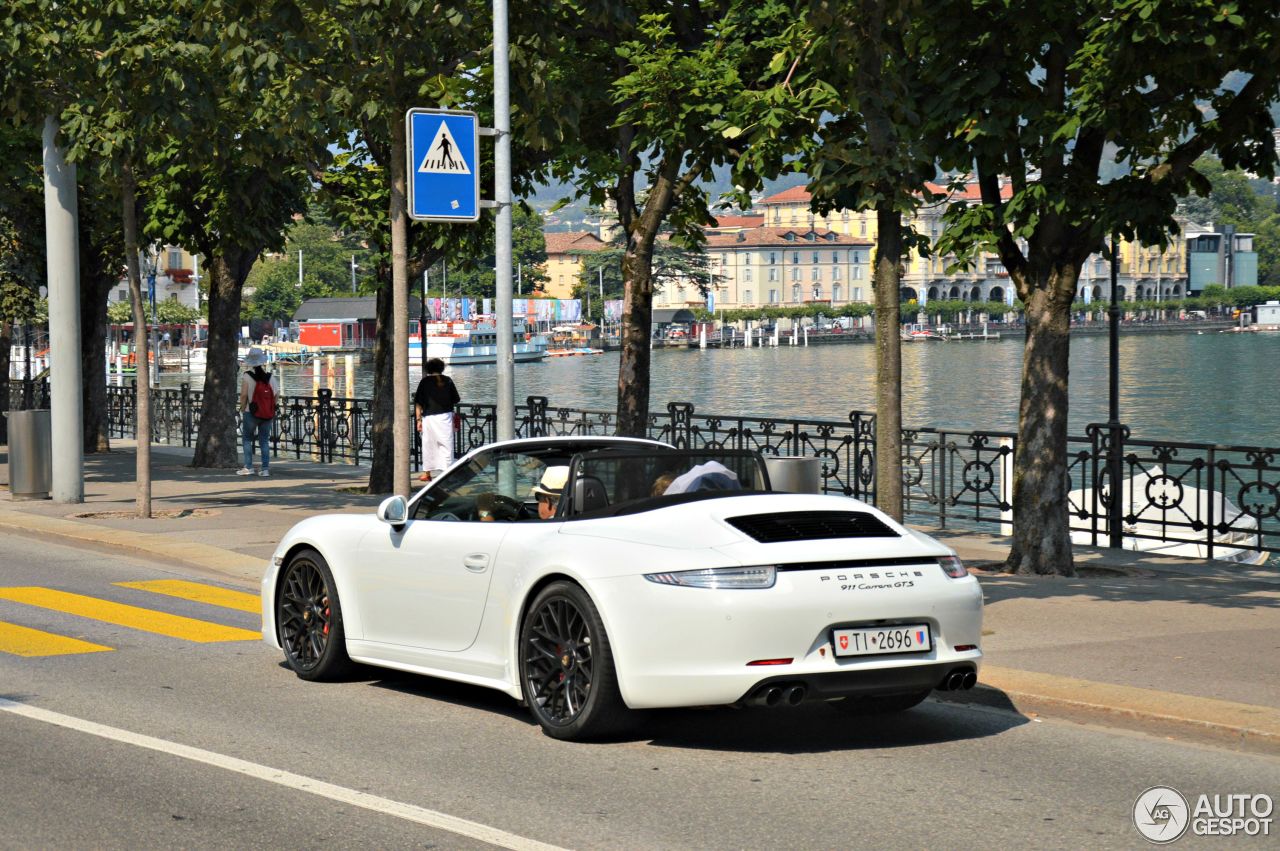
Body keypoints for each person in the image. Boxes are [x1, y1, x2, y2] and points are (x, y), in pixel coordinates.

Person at [414, 357, 461, 482]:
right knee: (447, 445)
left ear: (429, 369)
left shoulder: (424, 382)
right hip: (445, 417)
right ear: (442, 368)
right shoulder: (448, 381)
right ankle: (447, 473)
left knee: (428, 444)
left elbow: (418, 402)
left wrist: (418, 420)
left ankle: (427, 473)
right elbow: (456, 399)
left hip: (429, 418)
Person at [237, 347, 280, 477]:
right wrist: (272, 406)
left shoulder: (247, 376)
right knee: (264, 441)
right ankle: (265, 469)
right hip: (267, 413)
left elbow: (244, 395)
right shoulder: (269, 377)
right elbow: (277, 394)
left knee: (247, 439)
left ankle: (249, 467)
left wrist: (242, 408)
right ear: (262, 361)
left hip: (251, 412)